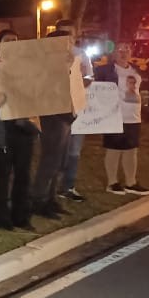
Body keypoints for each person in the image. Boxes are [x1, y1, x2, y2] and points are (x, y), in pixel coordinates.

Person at [0, 30, 38, 231]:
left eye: (15, 40)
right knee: (3, 173)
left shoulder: (28, 67)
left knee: (23, 173)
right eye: (7, 40)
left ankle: (21, 216)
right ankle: (1, 216)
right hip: (3, 127)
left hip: (25, 126)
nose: (12, 43)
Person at [30, 29, 83, 220]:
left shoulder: (68, 63)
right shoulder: (46, 64)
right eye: (67, 42)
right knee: (50, 159)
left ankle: (50, 198)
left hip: (65, 116)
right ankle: (39, 199)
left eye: (71, 41)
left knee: (59, 160)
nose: (70, 45)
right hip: (52, 116)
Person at [98, 41, 149, 196]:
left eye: (127, 49)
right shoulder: (107, 71)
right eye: (120, 50)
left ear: (131, 53)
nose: (123, 52)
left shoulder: (136, 71)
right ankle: (112, 182)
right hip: (115, 115)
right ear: (114, 53)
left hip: (133, 117)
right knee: (114, 150)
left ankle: (131, 182)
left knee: (131, 150)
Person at [55, 20, 94, 203]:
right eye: (61, 32)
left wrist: (80, 83)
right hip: (56, 110)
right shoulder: (50, 53)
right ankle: (52, 186)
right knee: (56, 150)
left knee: (74, 150)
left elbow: (89, 76)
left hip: (76, 109)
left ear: (75, 34)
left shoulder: (81, 54)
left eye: (69, 32)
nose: (65, 35)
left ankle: (68, 186)